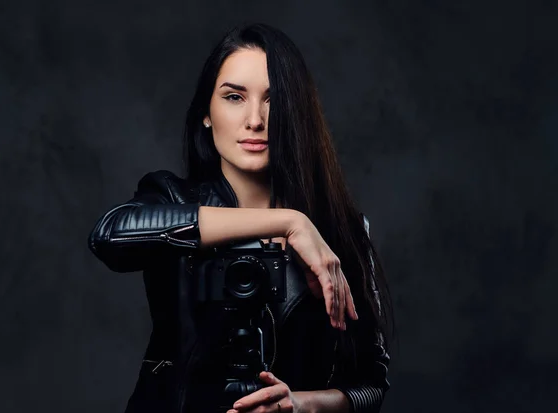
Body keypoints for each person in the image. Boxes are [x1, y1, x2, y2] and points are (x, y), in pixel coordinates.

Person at [88, 22, 393, 413]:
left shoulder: (343, 231)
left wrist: (298, 405)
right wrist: (288, 222)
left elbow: (371, 382)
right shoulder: (170, 197)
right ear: (206, 114)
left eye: (273, 100)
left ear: (296, 112)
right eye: (234, 97)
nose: (254, 120)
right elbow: (108, 236)